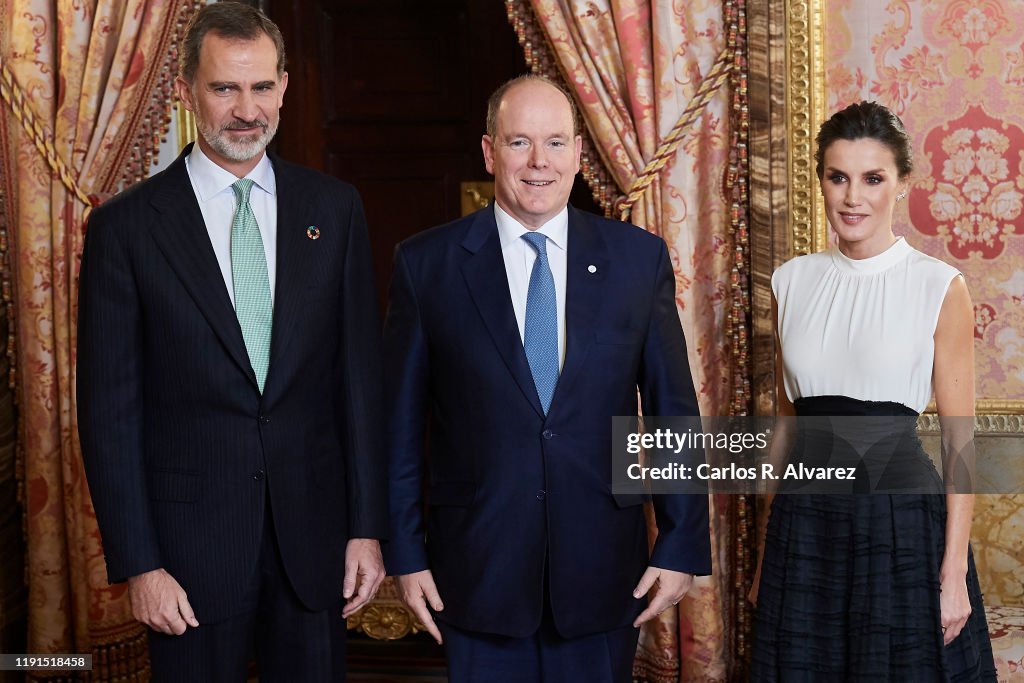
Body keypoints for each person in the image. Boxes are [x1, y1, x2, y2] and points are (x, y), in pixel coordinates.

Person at [76, 3, 386, 680]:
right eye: (224, 88)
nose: (247, 110)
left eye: (261, 87)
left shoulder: (334, 211)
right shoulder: (125, 231)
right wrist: (141, 562)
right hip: (188, 558)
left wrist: (366, 526)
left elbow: (359, 384)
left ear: (282, 87)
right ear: (186, 93)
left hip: (314, 545)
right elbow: (110, 413)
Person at [383, 74, 712, 682]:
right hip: (475, 574)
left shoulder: (637, 260)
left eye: (557, 143)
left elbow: (673, 411)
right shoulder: (425, 265)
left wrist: (681, 542)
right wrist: (405, 555)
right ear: (489, 151)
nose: (540, 162)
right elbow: (399, 427)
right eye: (520, 143)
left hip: (603, 571)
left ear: (580, 155)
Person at [750, 101, 996, 681]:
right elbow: (785, 428)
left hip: (900, 523)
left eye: (872, 178)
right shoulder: (790, 282)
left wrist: (953, 572)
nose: (852, 197)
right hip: (805, 520)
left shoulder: (939, 285)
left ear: (901, 183)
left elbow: (960, 441)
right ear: (822, 181)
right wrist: (768, 552)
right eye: (838, 177)